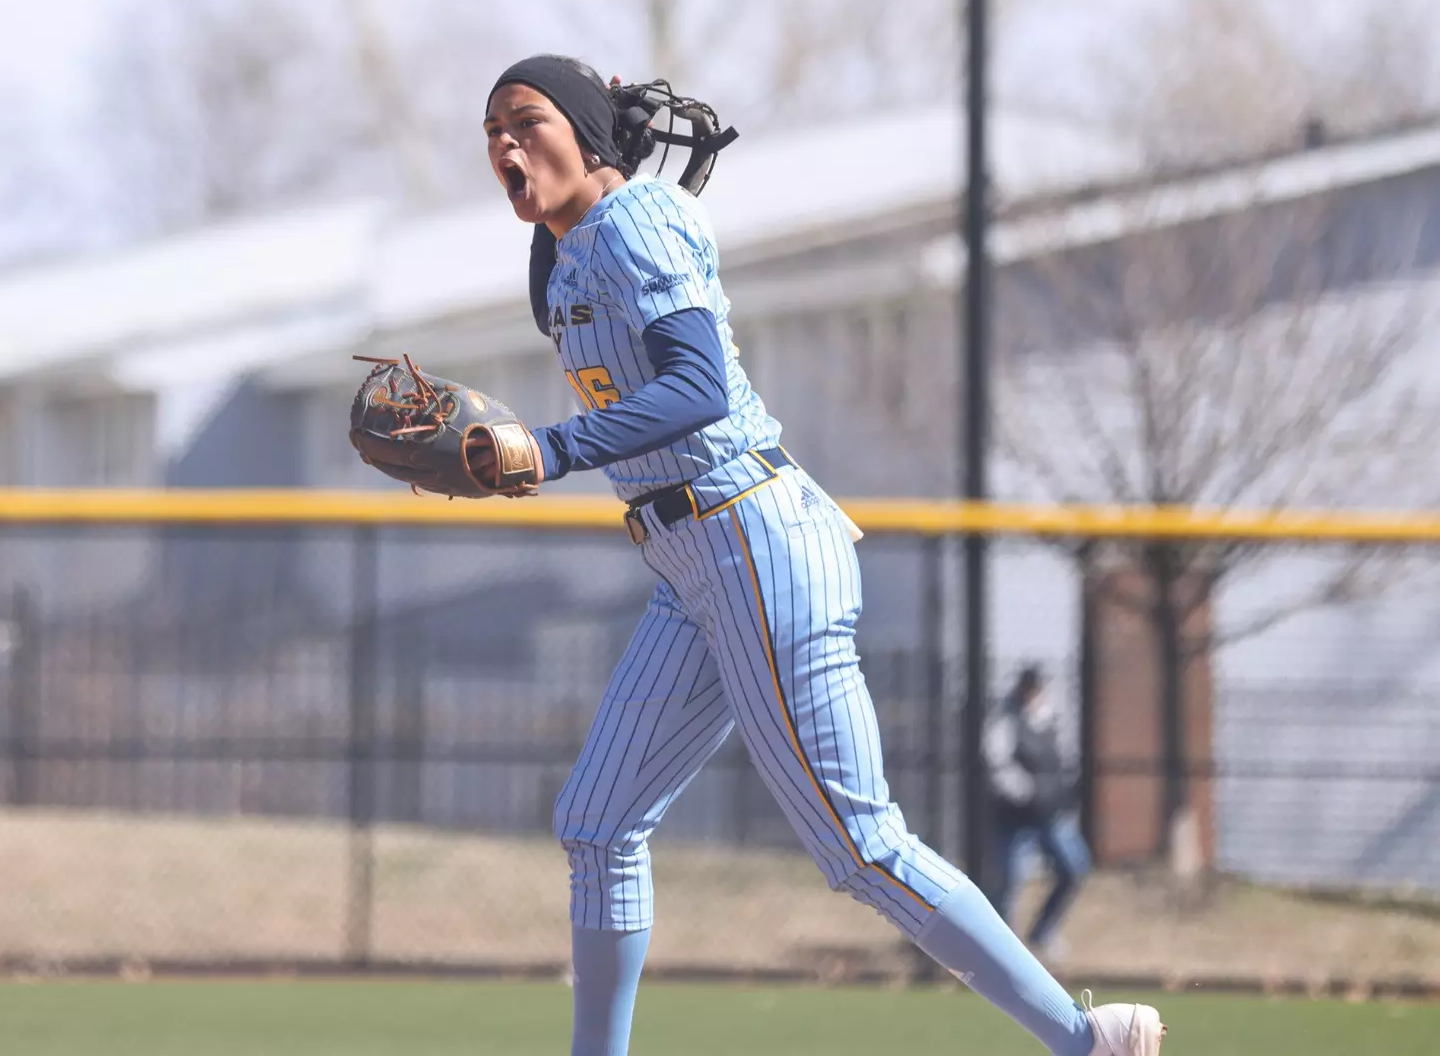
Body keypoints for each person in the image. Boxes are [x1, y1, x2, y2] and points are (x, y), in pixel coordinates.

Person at [478, 54, 1165, 1056]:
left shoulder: (635, 220)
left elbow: (697, 388)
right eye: (490, 127)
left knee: (859, 844)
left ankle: (1081, 1037)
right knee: (595, 821)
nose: (502, 139)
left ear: (586, 136)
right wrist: (484, 449)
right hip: (686, 565)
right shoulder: (557, 257)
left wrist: (546, 447)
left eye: (525, 118)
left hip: (753, 537)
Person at [986, 665, 1092, 961]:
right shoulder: (1004, 719)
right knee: (1010, 881)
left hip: (1051, 815)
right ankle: (1000, 949)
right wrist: (1027, 793)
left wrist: (1059, 794)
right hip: (1017, 818)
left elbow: (1067, 759)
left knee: (1074, 867)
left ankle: (1043, 931)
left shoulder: (1052, 718)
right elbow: (998, 765)